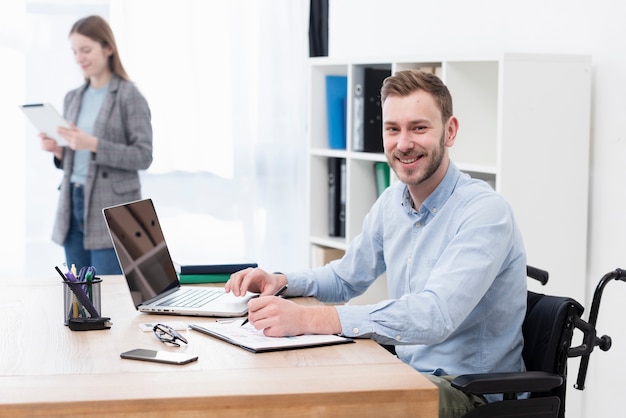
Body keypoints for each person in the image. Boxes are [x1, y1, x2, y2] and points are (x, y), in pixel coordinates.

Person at [226, 69, 527, 418]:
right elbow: (345, 278)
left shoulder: (485, 212)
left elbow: (435, 316)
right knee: (295, 386)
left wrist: (309, 318)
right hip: (410, 374)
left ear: (450, 131)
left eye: (419, 128)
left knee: (334, 406)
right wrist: (284, 282)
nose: (403, 143)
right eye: (392, 129)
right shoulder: (393, 202)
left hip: (472, 395)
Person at [40, 15, 153, 275]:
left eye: (86, 49)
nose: (80, 57)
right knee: (79, 294)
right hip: (73, 200)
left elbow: (144, 156)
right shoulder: (73, 98)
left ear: (108, 48)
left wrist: (93, 144)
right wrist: (59, 152)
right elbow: (76, 154)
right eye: (75, 51)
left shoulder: (129, 96)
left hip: (112, 206)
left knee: (109, 292)